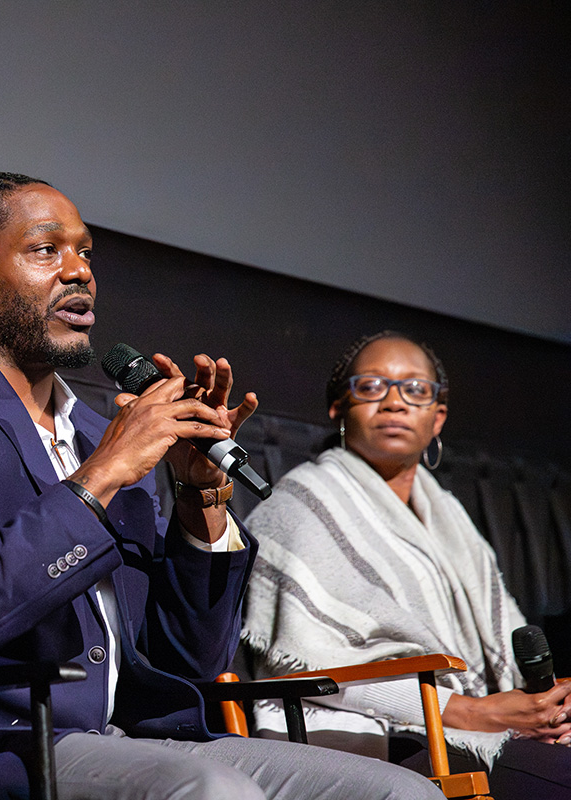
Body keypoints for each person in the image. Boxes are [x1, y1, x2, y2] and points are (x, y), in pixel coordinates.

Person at [0, 172, 444, 800]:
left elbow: (188, 663)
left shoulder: (97, 433)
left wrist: (199, 498)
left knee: (404, 794)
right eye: (46, 249)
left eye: (85, 253)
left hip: (133, 739)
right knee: (211, 791)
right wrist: (102, 474)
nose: (79, 271)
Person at [241, 330, 571, 798]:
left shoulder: (447, 515)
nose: (394, 403)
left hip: (475, 731)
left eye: (415, 389)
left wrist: (545, 707)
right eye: (371, 386)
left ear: (437, 419)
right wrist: (473, 712)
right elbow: (306, 665)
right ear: (338, 408)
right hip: (380, 744)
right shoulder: (296, 507)